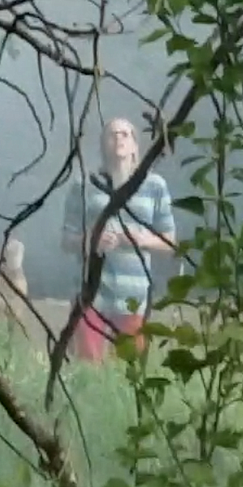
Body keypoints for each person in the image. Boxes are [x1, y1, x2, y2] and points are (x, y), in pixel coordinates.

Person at [61, 117, 175, 362]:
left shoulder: (154, 185)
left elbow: (170, 241)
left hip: (133, 295)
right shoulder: (84, 185)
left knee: (129, 368)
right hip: (91, 291)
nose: (118, 139)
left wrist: (141, 240)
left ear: (135, 145)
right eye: (112, 135)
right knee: (87, 364)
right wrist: (91, 240)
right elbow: (66, 240)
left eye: (125, 134)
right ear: (103, 145)